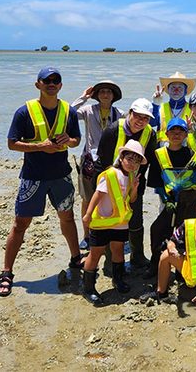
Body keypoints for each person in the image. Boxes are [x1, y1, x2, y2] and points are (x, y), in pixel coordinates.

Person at [0, 66, 82, 297]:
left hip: (61, 175)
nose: (51, 84)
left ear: (61, 85)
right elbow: (12, 144)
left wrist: (69, 140)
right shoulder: (24, 112)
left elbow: (76, 140)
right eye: (47, 81)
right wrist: (38, 147)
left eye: (56, 80)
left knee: (68, 218)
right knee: (20, 224)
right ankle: (6, 273)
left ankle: (75, 258)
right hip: (33, 177)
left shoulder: (68, 111)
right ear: (38, 85)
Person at [140, 195, 196, 316]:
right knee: (166, 255)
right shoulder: (187, 225)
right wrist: (172, 249)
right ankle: (161, 292)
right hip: (189, 269)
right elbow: (172, 241)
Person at [94, 98, 157, 269]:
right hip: (111, 186)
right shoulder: (113, 130)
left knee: (135, 222)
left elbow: (149, 161)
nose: (141, 121)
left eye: (145, 118)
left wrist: (139, 185)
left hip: (134, 186)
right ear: (130, 113)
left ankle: (137, 257)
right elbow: (101, 162)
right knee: (111, 223)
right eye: (137, 116)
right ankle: (109, 262)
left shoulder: (150, 133)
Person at [81, 140, 145, 306]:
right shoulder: (110, 174)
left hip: (119, 222)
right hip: (102, 221)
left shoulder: (130, 177)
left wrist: (135, 187)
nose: (132, 164)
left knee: (118, 250)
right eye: (129, 159)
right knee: (95, 253)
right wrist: (87, 215)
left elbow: (132, 199)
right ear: (121, 157)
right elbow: (97, 195)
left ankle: (118, 280)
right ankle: (88, 288)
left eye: (137, 161)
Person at [146, 117, 196, 277]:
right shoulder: (158, 155)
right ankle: (156, 264)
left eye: (180, 131)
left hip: (189, 200)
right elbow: (156, 183)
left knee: (186, 234)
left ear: (186, 135)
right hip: (170, 200)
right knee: (157, 230)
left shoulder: (192, 154)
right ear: (166, 134)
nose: (176, 134)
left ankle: (183, 268)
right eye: (173, 130)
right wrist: (166, 200)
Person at [71, 80, 124, 250]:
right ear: (97, 95)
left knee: (111, 198)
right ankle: (87, 236)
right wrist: (83, 97)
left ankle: (109, 233)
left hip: (112, 163)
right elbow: (69, 114)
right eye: (101, 92)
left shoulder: (119, 114)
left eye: (109, 92)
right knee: (87, 199)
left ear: (114, 96)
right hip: (89, 161)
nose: (105, 94)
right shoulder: (88, 110)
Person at [152, 72, 196, 144]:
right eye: (173, 87)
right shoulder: (160, 108)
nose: (176, 91)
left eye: (180, 88)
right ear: (168, 90)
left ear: (185, 91)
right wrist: (155, 104)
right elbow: (151, 123)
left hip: (185, 150)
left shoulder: (193, 109)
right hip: (162, 152)